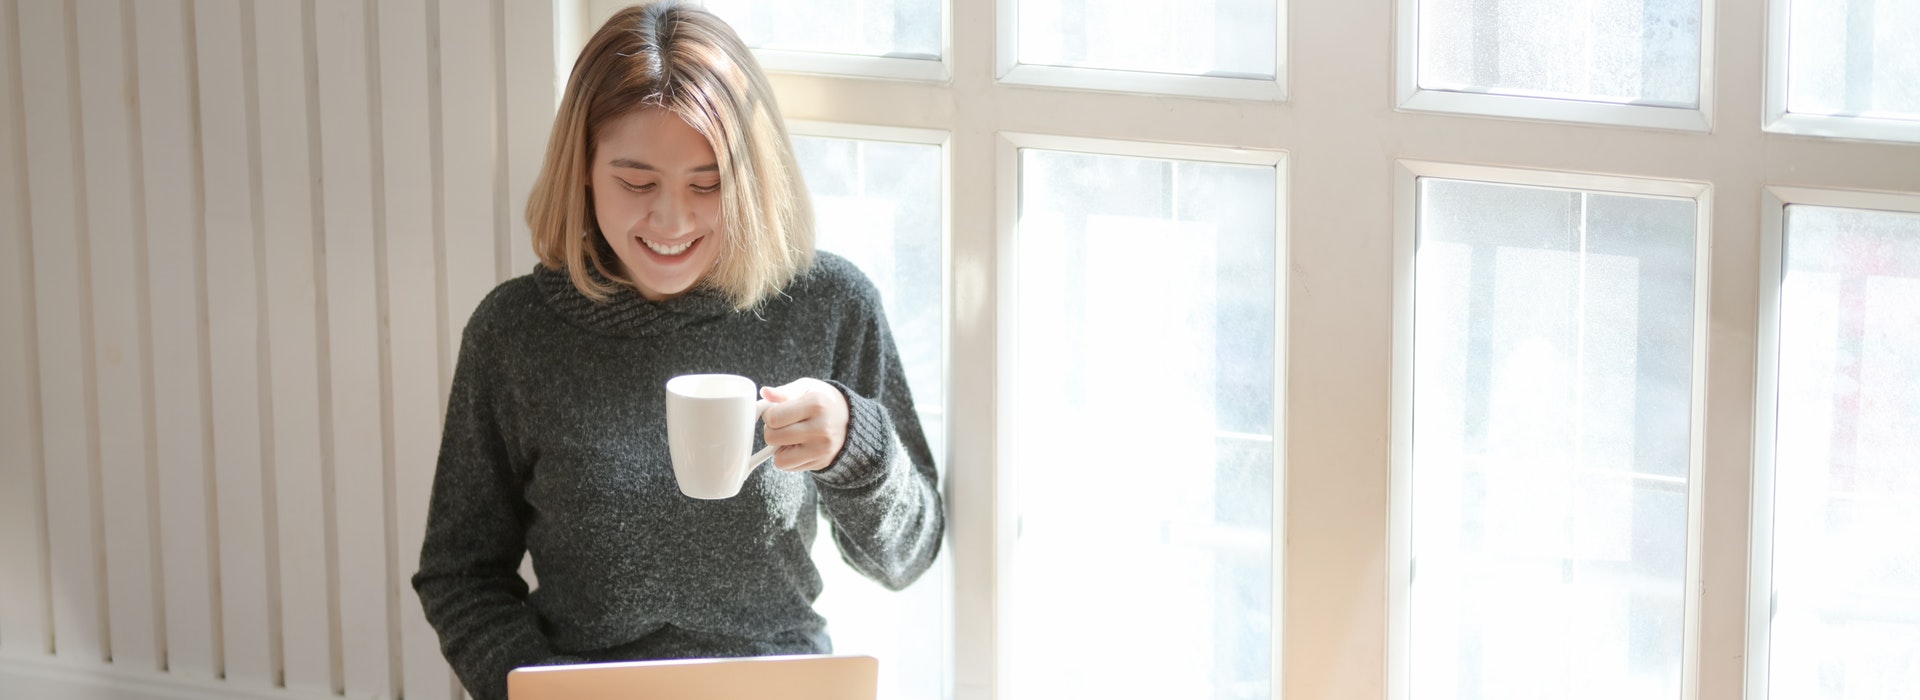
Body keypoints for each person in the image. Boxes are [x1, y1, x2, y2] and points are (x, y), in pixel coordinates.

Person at [410, 3, 944, 699]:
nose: (672, 220)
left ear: (751, 179)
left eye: (707, 183)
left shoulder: (828, 305)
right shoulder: (514, 333)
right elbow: (460, 571)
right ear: (584, 173)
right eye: (636, 183)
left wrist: (856, 445)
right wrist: (536, 686)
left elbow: (908, 558)